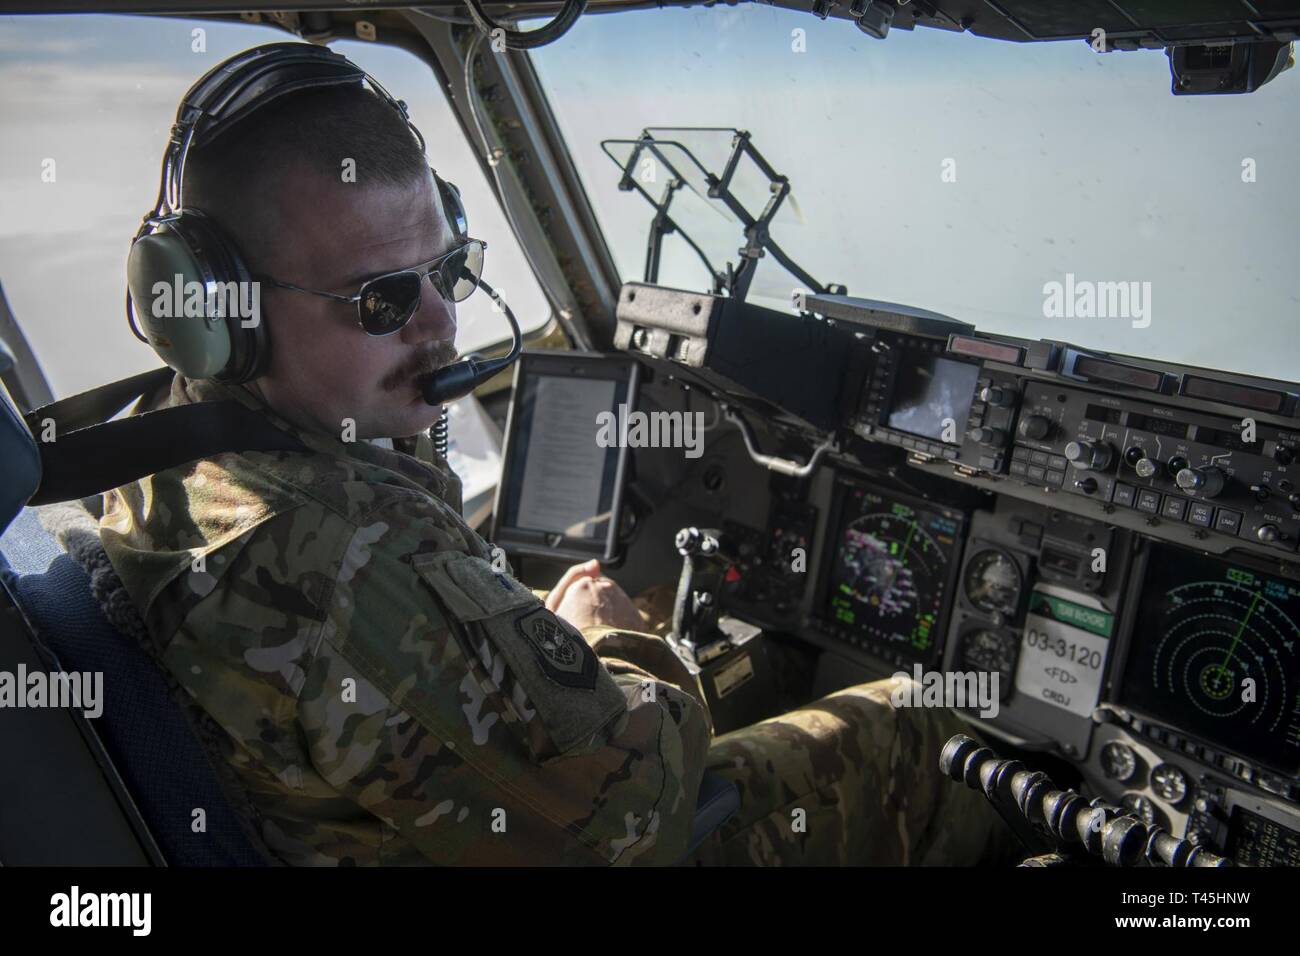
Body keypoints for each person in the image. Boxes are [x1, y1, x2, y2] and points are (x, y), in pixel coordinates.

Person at [99, 45, 1008, 866]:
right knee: (927, 716)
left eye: (448, 270)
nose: (441, 322)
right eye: (380, 301)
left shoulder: (162, 445)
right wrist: (610, 634)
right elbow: (634, 818)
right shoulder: (349, 554)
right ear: (218, 319)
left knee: (762, 670)